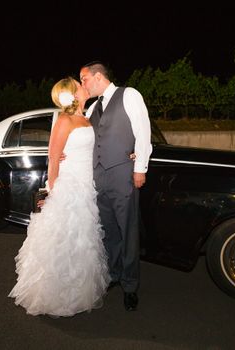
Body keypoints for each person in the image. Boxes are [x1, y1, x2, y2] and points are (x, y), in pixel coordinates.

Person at [8, 77, 110, 317]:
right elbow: (53, 157)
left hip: (87, 186)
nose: (84, 86)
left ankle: (76, 293)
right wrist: (53, 192)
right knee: (63, 241)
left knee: (81, 241)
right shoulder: (64, 119)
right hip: (69, 187)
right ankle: (55, 296)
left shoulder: (85, 118)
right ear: (73, 94)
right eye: (79, 84)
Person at [80, 62, 152, 311]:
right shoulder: (91, 108)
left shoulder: (129, 95)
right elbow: (85, 138)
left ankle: (130, 286)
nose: (82, 84)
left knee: (128, 231)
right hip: (98, 177)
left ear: (98, 76)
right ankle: (114, 274)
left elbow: (143, 132)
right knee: (109, 230)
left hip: (123, 174)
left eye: (84, 79)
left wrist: (139, 167)